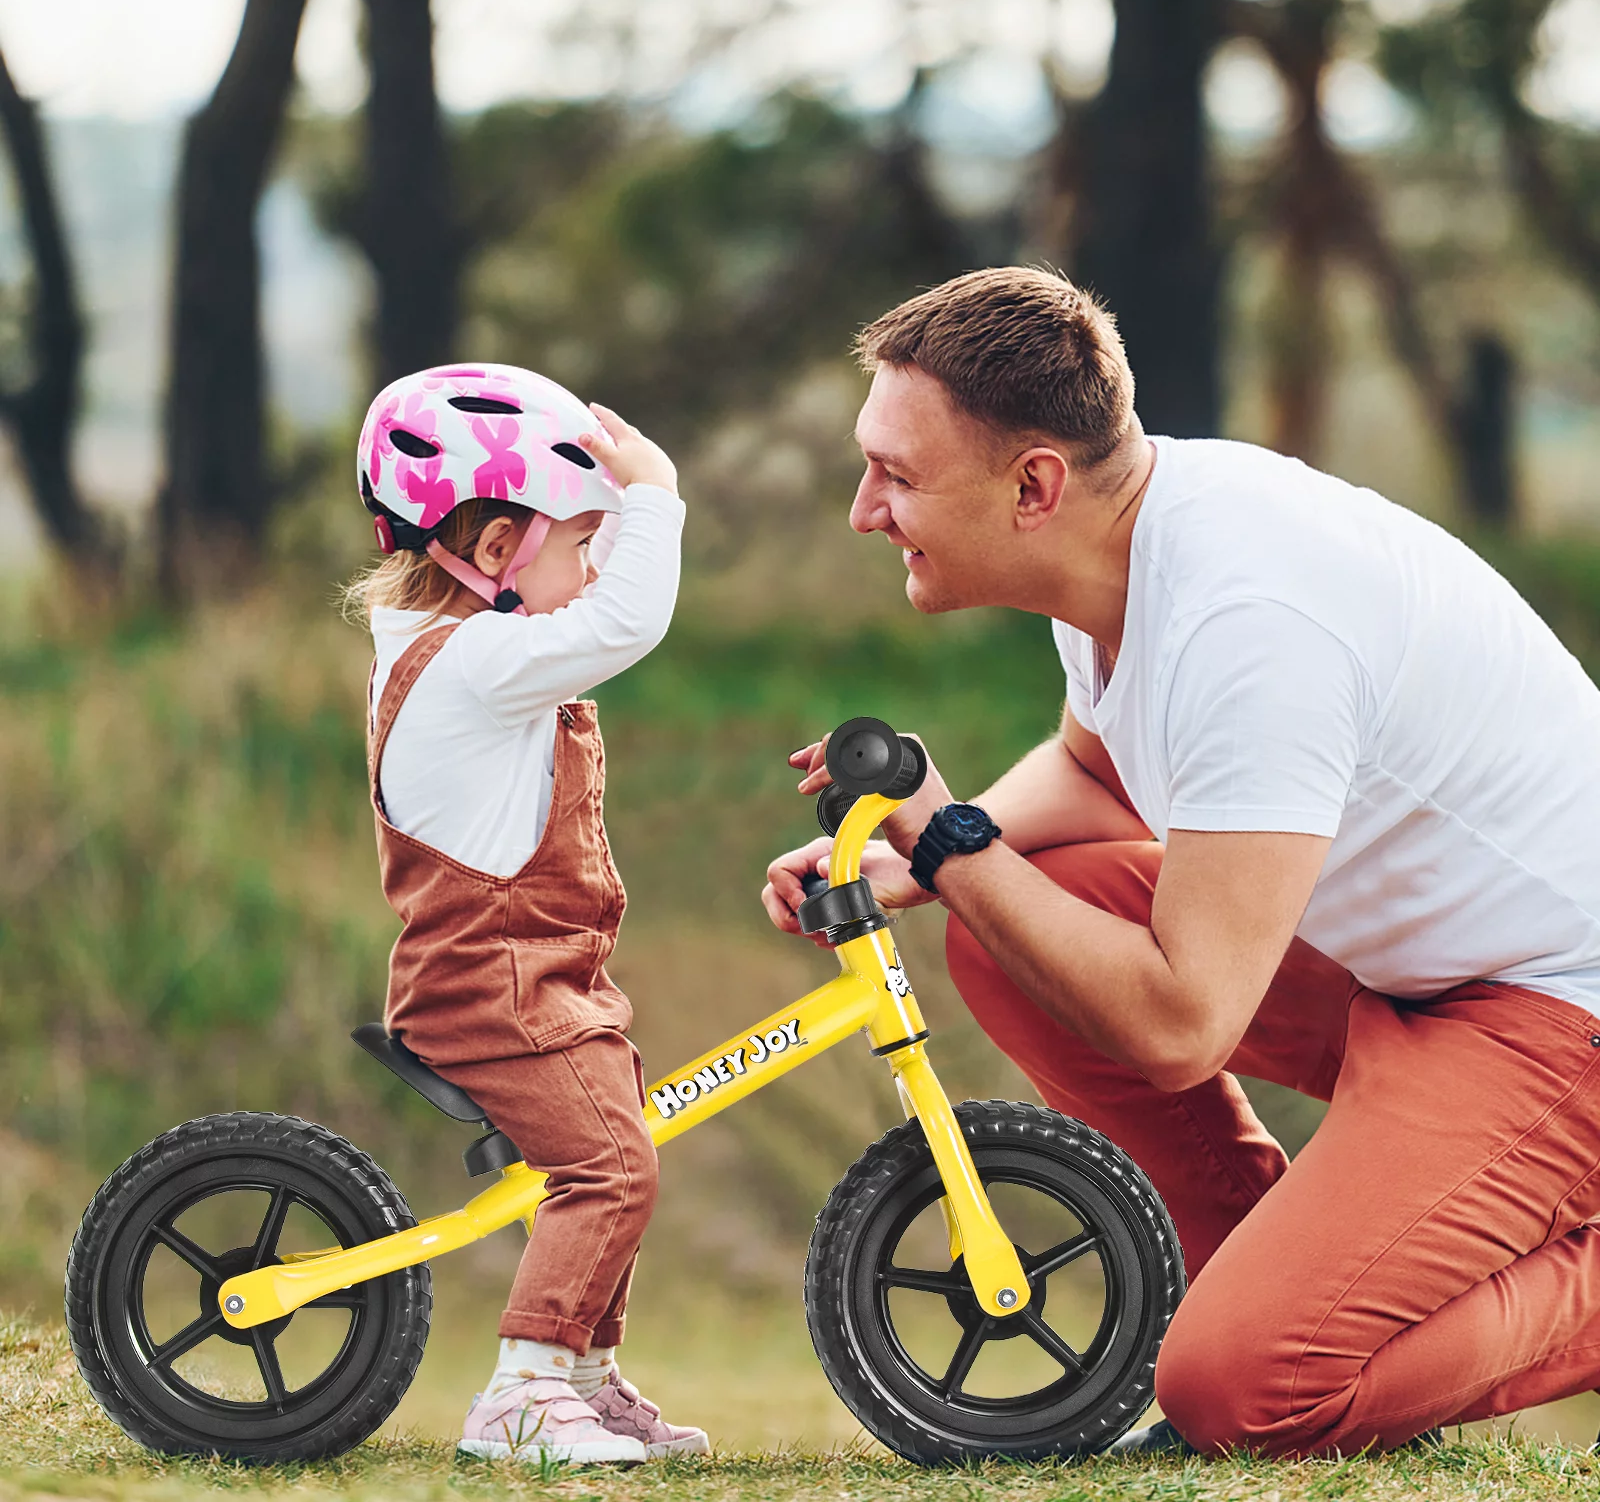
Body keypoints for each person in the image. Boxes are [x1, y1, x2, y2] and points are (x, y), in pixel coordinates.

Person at [762, 268, 1600, 1458]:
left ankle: (1285, 1342)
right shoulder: (1120, 542)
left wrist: (952, 835)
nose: (863, 509)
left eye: (897, 475)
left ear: (1032, 483)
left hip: (1556, 1013)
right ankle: (1266, 1272)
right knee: (1006, 931)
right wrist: (916, 859)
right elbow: (1096, 773)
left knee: (1242, 1394)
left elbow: (1177, 1025)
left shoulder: (1250, 620)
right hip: (1407, 970)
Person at [350, 363, 707, 1465]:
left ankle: (584, 1378)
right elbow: (629, 620)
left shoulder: (474, 653)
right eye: (580, 538)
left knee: (617, 1146)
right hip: (492, 989)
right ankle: (524, 1391)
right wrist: (655, 497)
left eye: (603, 539)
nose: (595, 564)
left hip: (540, 978)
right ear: (495, 549)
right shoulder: (469, 662)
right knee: (611, 1165)